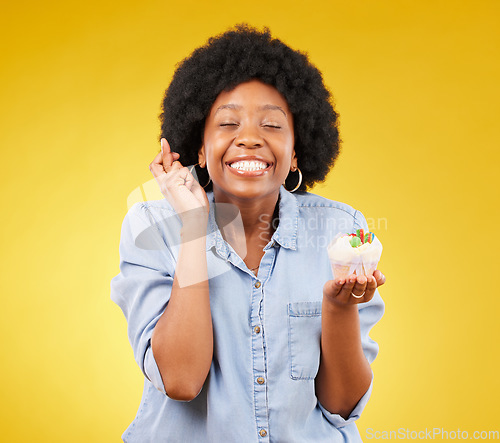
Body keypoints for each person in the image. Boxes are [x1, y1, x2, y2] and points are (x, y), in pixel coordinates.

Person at [110, 24, 385, 442]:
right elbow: (181, 381)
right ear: (200, 149)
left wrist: (339, 308)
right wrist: (192, 225)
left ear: (296, 153)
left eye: (272, 126)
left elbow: (341, 404)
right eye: (228, 123)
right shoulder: (153, 227)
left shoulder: (340, 232)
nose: (250, 139)